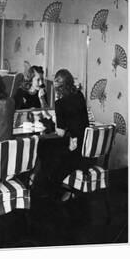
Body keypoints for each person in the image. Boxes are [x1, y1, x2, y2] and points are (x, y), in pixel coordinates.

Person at [32, 69, 90, 201]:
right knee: (49, 150)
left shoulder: (60, 103)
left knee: (45, 151)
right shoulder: (79, 95)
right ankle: (53, 187)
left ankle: (46, 189)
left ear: (57, 87)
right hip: (84, 148)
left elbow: (60, 132)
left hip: (73, 151)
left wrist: (56, 119)